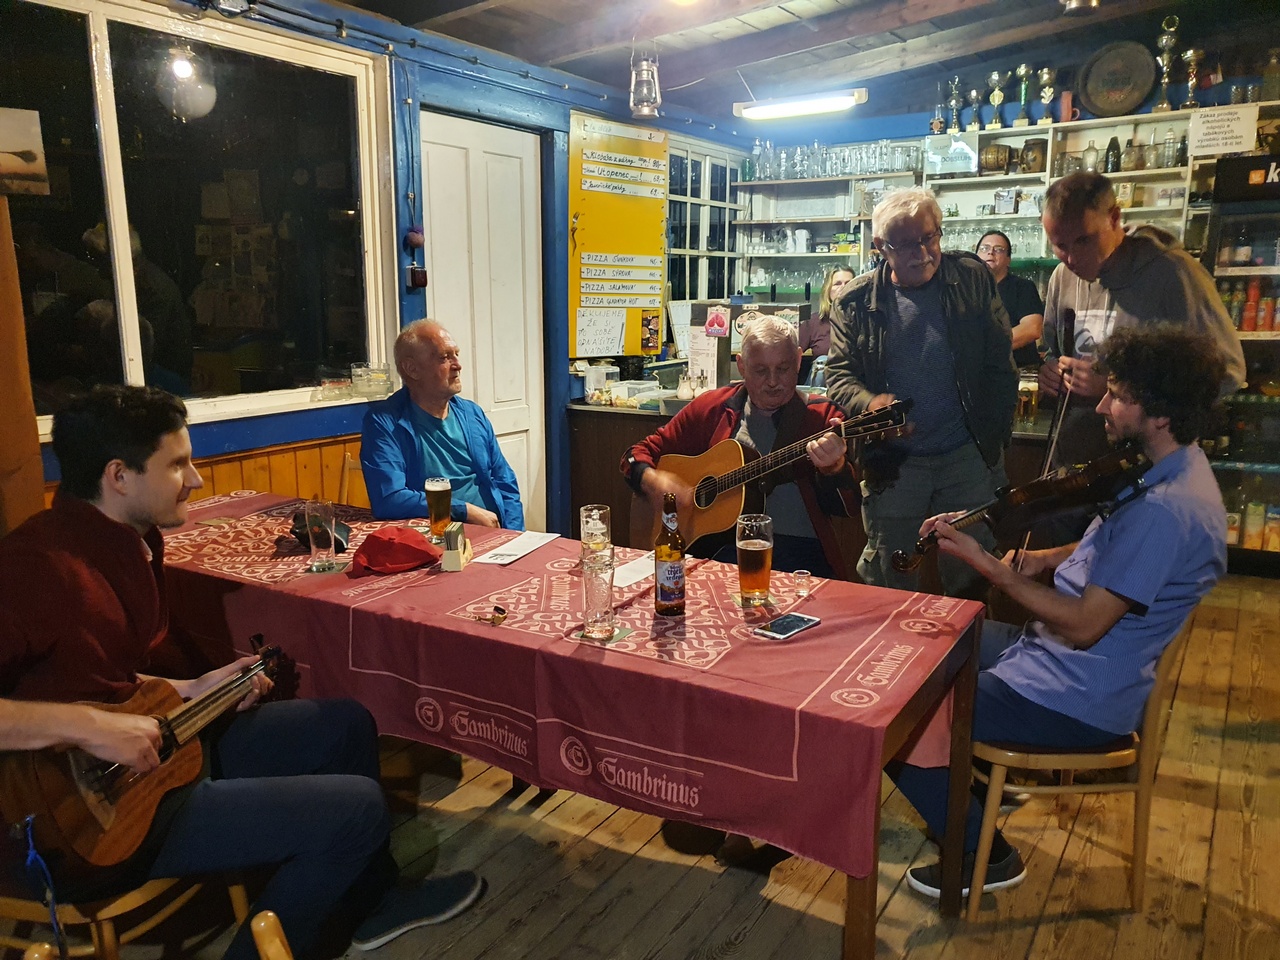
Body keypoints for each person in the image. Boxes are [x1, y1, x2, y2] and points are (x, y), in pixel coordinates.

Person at [0, 385, 484, 960]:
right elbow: (94, 714)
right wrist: (87, 727)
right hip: (73, 829)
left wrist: (195, 687)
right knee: (356, 810)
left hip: (146, 765)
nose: (197, 479)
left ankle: (368, 906)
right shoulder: (38, 568)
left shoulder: (131, 543)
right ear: (119, 476)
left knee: (348, 723)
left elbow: (113, 691)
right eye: (177, 463)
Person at [892, 326, 1228, 901]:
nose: (1101, 404)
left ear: (1162, 413)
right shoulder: (1174, 467)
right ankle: (976, 782)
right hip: (1061, 659)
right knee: (931, 637)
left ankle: (984, 854)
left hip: (1075, 695)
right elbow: (1118, 555)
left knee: (898, 712)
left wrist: (991, 567)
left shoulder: (1167, 512)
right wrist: (1043, 557)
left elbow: (1085, 623)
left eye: (1117, 394)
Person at [825, 187, 1017, 597]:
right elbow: (838, 374)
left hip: (967, 456)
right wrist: (871, 404)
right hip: (894, 464)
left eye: (931, 237)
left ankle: (966, 661)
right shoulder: (854, 301)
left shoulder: (972, 277)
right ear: (881, 247)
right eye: (908, 244)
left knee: (973, 577)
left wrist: (996, 444)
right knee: (890, 575)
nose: (924, 253)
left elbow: (1001, 367)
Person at [1037, 172, 1245, 474]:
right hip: (1075, 464)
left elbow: (1227, 373)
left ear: (1114, 218)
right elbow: (1052, 352)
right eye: (1059, 245)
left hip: (1146, 470)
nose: (1071, 258)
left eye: (1083, 240)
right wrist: (1051, 371)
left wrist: (1116, 392)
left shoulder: (1172, 273)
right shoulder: (1062, 277)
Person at [620, 316, 857, 580]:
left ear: (800, 360)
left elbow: (848, 508)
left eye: (784, 368)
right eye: (760, 370)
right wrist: (653, 481)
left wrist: (834, 469)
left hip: (800, 556)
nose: (773, 381)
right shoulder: (713, 408)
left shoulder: (823, 417)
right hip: (716, 554)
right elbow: (634, 455)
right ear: (741, 366)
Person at [362, 319, 524, 529]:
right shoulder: (384, 423)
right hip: (436, 538)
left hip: (494, 532)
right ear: (411, 369)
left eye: (456, 354)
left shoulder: (472, 414)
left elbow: (505, 481)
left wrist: (514, 534)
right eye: (444, 357)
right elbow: (389, 499)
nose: (457, 365)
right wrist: (464, 510)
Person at [975, 230, 1044, 368]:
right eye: (984, 248)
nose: (990, 252)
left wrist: (986, 347)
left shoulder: (1023, 287)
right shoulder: (966, 290)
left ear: (1008, 260)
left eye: (999, 249)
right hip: (978, 375)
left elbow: (1032, 328)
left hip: (1020, 371)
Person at [798, 266, 854, 387]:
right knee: (822, 362)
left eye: (849, 283)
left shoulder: (866, 320)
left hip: (854, 384)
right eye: (837, 284)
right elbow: (790, 354)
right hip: (822, 386)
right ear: (827, 290)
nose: (843, 287)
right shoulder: (814, 322)